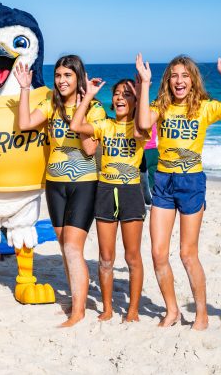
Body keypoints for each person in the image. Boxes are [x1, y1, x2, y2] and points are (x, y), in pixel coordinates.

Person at [137, 49, 221, 330]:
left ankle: (201, 313)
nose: (179, 80)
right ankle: (172, 310)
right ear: (168, 81)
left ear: (193, 80)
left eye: (185, 76)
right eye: (174, 76)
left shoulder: (205, 106)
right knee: (158, 253)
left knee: (188, 254)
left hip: (191, 184)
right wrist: (144, 84)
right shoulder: (161, 107)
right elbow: (141, 124)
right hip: (163, 181)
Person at [18, 55, 106, 327]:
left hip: (84, 183)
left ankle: (78, 312)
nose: (61, 80)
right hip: (55, 183)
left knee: (71, 247)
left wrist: (82, 107)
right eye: (58, 75)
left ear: (79, 77)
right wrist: (24, 88)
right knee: (63, 244)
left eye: (67, 75)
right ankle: (75, 300)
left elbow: (90, 149)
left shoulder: (96, 109)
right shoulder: (51, 105)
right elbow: (24, 124)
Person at [68, 59, 151, 323]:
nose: (119, 98)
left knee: (132, 256)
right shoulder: (105, 125)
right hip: (105, 190)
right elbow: (75, 126)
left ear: (136, 101)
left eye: (126, 94)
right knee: (105, 258)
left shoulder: (140, 128)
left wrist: (142, 91)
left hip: (131, 192)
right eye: (116, 94)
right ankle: (106, 308)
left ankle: (134, 310)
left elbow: (141, 129)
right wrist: (90, 96)